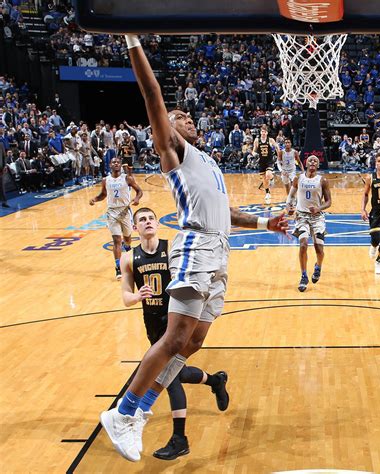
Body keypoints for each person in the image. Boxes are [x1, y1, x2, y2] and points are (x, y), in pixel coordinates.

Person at [99, 34, 289, 463]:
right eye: (177, 116)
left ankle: (141, 409)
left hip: (220, 251)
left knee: (193, 342)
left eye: (185, 116)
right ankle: (124, 413)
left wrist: (264, 222)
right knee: (174, 338)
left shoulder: (211, 163)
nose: (184, 119)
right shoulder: (175, 153)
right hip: (196, 246)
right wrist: (133, 41)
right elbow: (152, 93)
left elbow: (229, 212)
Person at [120, 206, 229, 460]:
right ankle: (215, 381)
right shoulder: (129, 258)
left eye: (150, 219)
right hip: (152, 321)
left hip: (176, 320)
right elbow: (125, 296)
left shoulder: (174, 250)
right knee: (173, 372)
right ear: (135, 228)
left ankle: (179, 438)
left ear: (157, 224)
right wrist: (136, 296)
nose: (147, 223)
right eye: (142, 220)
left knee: (170, 378)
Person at [89, 157, 143, 280]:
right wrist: (95, 199)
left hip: (125, 211)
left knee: (127, 238)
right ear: (110, 165)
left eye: (118, 162)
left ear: (120, 165)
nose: (116, 164)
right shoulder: (105, 180)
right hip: (112, 212)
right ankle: (118, 267)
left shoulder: (127, 178)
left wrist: (137, 199)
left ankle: (128, 248)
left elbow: (139, 191)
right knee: (117, 240)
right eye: (114, 162)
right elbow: (103, 195)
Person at [286, 155, 332, 292]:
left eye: (315, 161)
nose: (312, 162)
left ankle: (318, 266)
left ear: (318, 165)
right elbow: (290, 197)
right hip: (302, 217)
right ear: (306, 163)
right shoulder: (298, 179)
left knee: (319, 249)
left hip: (317, 217)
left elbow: (329, 202)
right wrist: (289, 207)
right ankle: (304, 276)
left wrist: (319, 208)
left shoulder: (322, 180)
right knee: (303, 244)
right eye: (310, 160)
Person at [253, 126, 277, 204]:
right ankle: (267, 193)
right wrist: (254, 154)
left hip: (269, 160)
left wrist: (279, 155)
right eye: (262, 131)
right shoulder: (257, 140)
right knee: (264, 180)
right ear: (260, 132)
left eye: (265, 132)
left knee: (268, 175)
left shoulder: (270, 140)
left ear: (267, 133)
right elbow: (254, 150)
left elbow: (277, 147)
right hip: (261, 161)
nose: (263, 133)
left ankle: (272, 178)